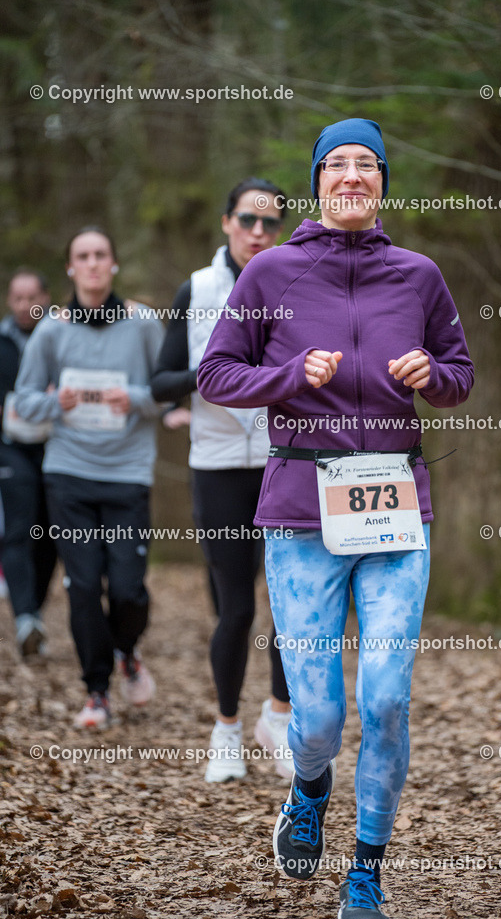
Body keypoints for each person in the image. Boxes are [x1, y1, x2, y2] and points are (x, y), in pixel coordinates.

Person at [198, 119, 474, 919]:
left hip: (395, 504)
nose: (351, 176)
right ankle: (310, 789)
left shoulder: (418, 276)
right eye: (336, 165)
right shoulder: (272, 271)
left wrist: (435, 375)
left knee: (386, 699)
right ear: (317, 181)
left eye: (366, 165)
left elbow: (459, 375)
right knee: (315, 719)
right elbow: (217, 373)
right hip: (298, 507)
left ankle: (366, 874)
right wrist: (289, 374)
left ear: (383, 182)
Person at [151, 178, 294, 784]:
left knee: (290, 606)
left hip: (286, 461)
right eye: (247, 220)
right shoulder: (198, 289)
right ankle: (227, 730)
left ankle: (279, 720)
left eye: (270, 223)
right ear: (225, 222)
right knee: (234, 609)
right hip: (216, 468)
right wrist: (207, 375)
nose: (258, 233)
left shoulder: (295, 283)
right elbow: (158, 383)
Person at [14, 227, 164, 729]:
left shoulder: (143, 323)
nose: (94, 263)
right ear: (71, 269)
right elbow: (24, 400)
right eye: (83, 256)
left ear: (114, 265)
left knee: (127, 590)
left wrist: (138, 399)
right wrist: (57, 402)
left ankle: (127, 651)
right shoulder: (52, 330)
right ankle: (96, 691)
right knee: (82, 587)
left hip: (127, 474)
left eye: (102, 254)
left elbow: (166, 391)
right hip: (69, 473)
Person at [0, 268, 57, 655]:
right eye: (17, 298)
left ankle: (34, 612)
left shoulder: (62, 335)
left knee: (51, 534)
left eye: (31, 297)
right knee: (19, 529)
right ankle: (24, 617)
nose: (25, 306)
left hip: (57, 447)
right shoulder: (1, 342)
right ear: (9, 300)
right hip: (10, 448)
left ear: (46, 296)